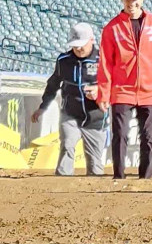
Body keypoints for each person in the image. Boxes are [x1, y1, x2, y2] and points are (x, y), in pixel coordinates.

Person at [97, 0, 152, 180]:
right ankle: (119, 177)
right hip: (122, 91)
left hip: (149, 91)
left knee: (149, 138)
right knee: (120, 136)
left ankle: (146, 179)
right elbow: (105, 63)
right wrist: (104, 93)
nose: (131, 3)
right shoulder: (112, 28)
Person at [31, 22, 106, 176]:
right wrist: (42, 107)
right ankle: (60, 187)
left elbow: (116, 84)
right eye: (75, 45)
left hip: (96, 116)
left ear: (91, 40)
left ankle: (95, 195)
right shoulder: (63, 60)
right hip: (70, 114)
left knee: (95, 162)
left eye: (82, 45)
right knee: (67, 145)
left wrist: (100, 91)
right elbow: (53, 85)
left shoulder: (103, 60)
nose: (78, 49)